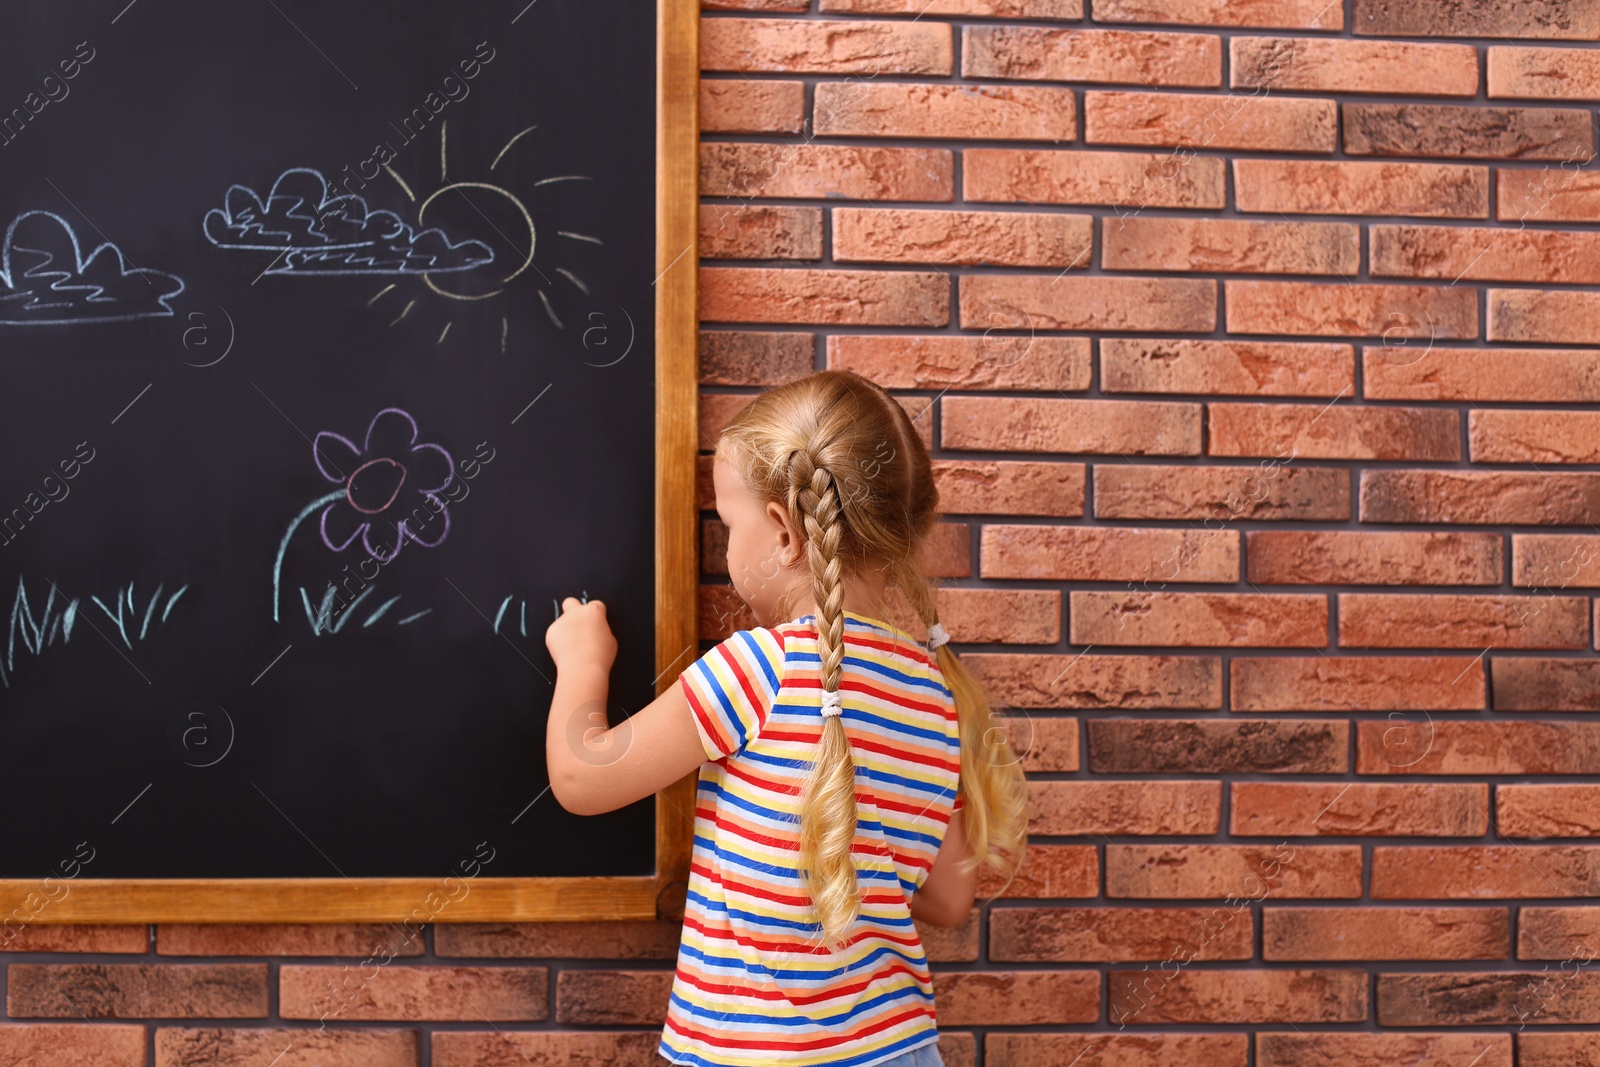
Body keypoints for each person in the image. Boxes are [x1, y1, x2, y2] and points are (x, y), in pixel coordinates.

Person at [544, 369, 1029, 1067]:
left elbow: (581, 776)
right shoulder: (935, 690)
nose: (725, 544)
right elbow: (949, 898)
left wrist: (583, 661)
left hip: (754, 1053)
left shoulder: (760, 669)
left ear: (781, 533)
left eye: (726, 522)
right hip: (896, 1048)